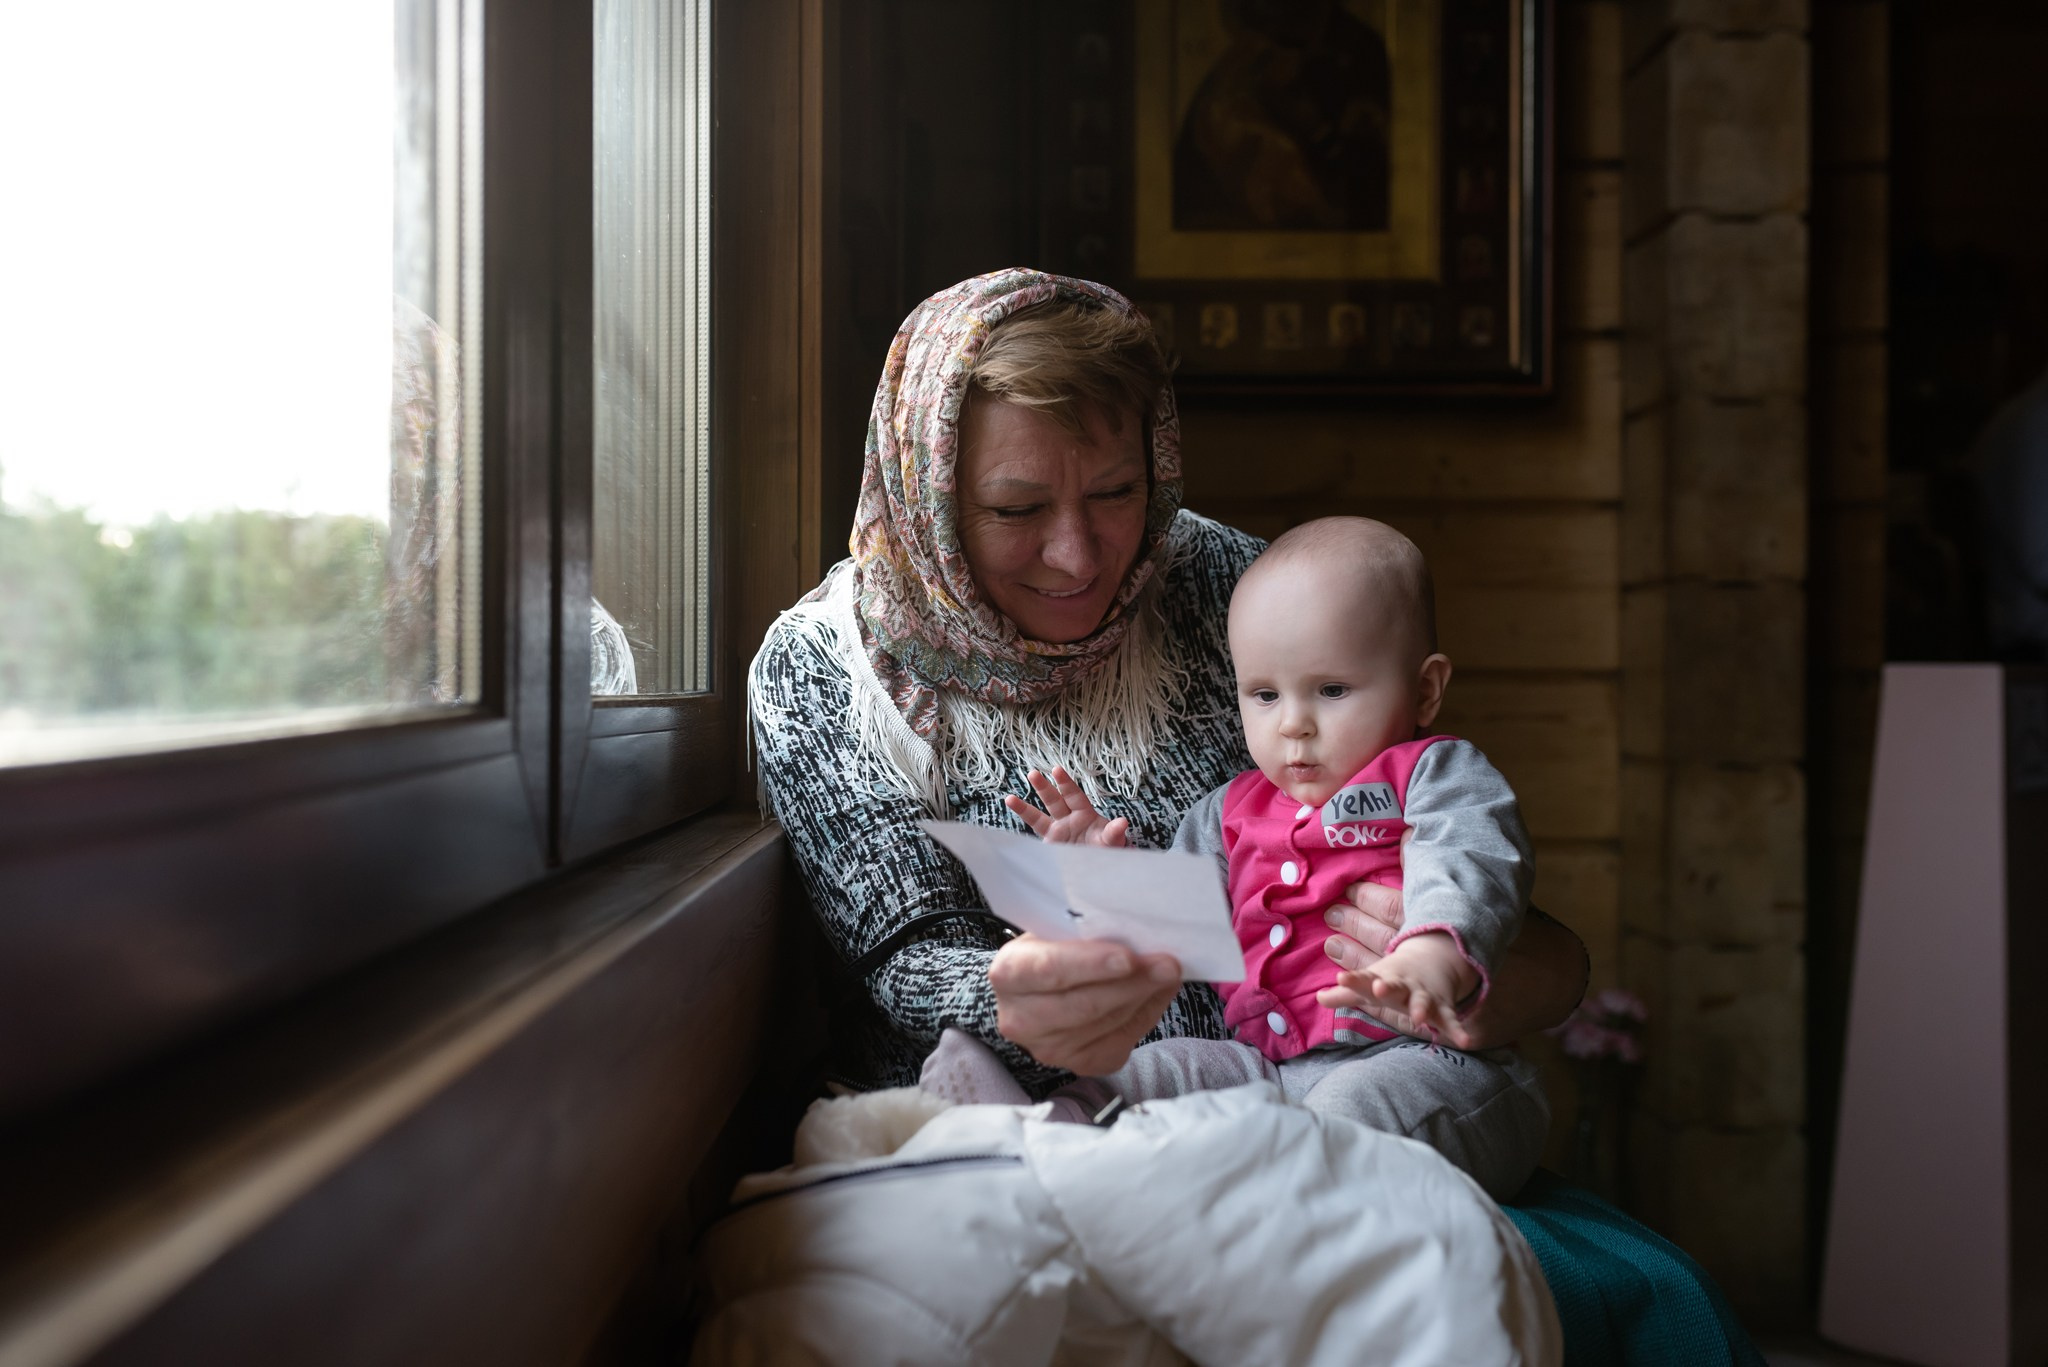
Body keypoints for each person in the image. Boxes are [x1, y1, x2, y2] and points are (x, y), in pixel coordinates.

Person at [746, 267, 1587, 1107]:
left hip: (1331, 1083)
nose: (1078, 556)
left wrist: (1482, 971)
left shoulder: (1238, 586)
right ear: (924, 493)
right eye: (1015, 509)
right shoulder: (826, 669)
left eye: (1115, 491)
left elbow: (1471, 865)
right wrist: (1064, 965)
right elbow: (911, 963)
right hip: (1010, 1128)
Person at [927, 516, 1548, 1199]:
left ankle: (1257, 1212)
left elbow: (1471, 855)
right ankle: (1038, 1137)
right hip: (1270, 1069)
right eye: (1265, 694)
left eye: (1332, 690)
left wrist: (1432, 951)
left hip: (1427, 1066)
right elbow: (1180, 927)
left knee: (1346, 1118)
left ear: (1425, 690)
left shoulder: (1430, 774)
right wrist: (1103, 879)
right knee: (1152, 1072)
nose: (1293, 723)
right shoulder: (1228, 812)